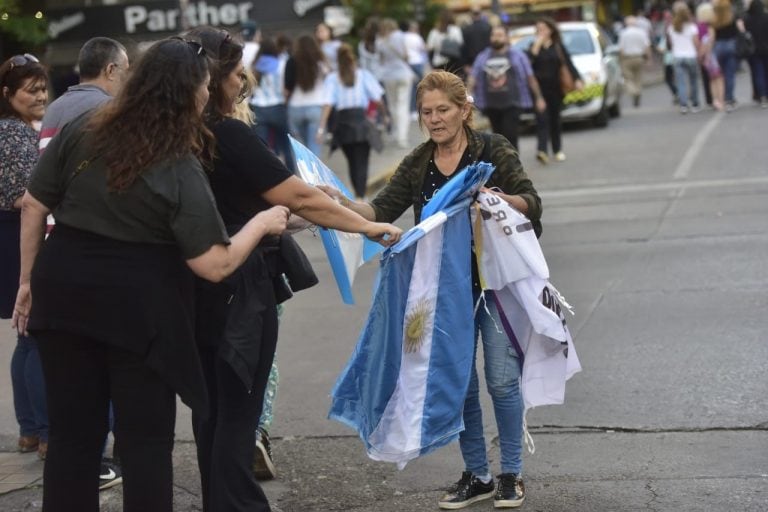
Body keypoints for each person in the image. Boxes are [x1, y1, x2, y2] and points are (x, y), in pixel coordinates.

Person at [12, 38, 293, 512]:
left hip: (62, 291)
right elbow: (215, 263)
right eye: (204, 85)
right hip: (136, 309)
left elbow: (35, 204)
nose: (207, 94)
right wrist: (263, 223)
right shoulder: (176, 160)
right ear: (187, 92)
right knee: (144, 442)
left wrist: (27, 283)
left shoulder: (85, 126)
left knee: (72, 440)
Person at [183, 26, 402, 512]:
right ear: (212, 78)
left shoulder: (175, 135)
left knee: (211, 413)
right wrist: (368, 227)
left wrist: (309, 212)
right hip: (239, 290)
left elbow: (268, 207)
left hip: (192, 287)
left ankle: (220, 502)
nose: (243, 83)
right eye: (237, 74)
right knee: (237, 414)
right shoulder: (228, 133)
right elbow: (296, 196)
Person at [320, 69, 542, 509]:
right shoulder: (420, 161)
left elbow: (532, 205)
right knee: (458, 385)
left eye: (444, 110)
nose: (436, 119)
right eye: (427, 112)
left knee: (500, 381)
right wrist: (341, 202)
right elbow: (380, 209)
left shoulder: (492, 149)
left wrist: (497, 199)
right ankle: (478, 474)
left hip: (494, 284)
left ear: (464, 110)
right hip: (442, 292)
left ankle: (511, 474)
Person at [37, 35, 130, 490]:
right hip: (92, 248)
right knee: (102, 363)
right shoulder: (100, 113)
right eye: (125, 69)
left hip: (56, 244)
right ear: (110, 70)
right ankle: (100, 459)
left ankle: (63, 449)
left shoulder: (56, 109)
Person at [0, 53, 49, 461]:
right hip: (19, 238)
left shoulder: (13, 129)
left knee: (25, 337)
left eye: (43, 88)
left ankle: (30, 431)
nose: (40, 96)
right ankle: (47, 432)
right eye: (30, 90)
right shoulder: (13, 134)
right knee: (36, 336)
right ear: (7, 94)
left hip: (12, 238)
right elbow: (22, 198)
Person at [318, 43, 385, 199]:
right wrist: (384, 115)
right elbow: (377, 98)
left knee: (352, 162)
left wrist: (321, 128)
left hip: (343, 125)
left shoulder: (332, 78)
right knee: (362, 161)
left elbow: (328, 103)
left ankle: (358, 195)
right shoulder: (363, 75)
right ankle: (361, 196)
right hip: (361, 122)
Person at [468, 25, 546, 152]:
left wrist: (539, 97)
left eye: (499, 35)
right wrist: (468, 96)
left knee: (510, 135)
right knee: (497, 138)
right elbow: (473, 77)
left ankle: (513, 167)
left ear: (506, 38)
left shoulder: (518, 56)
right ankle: (502, 167)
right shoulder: (483, 56)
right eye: (493, 35)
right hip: (491, 104)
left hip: (513, 103)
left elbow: (530, 77)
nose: (496, 38)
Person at [527, 17, 583, 164]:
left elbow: (568, 64)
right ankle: (542, 151)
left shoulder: (558, 47)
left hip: (556, 89)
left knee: (555, 120)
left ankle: (557, 150)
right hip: (538, 90)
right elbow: (528, 65)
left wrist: (577, 79)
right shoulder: (533, 46)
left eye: (543, 29)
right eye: (538, 30)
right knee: (542, 120)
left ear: (550, 30)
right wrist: (536, 47)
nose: (540, 32)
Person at [250, 36, 293, 170]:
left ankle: (269, 174)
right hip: (278, 106)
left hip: (259, 108)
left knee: (264, 148)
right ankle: (292, 174)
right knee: (287, 145)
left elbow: (251, 88)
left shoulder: (255, 65)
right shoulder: (281, 63)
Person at [284, 34, 328, 157]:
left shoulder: (291, 61)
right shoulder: (320, 62)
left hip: (295, 107)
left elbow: (287, 88)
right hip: (315, 107)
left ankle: (301, 176)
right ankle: (313, 176)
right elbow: (327, 84)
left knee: (300, 153)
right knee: (314, 150)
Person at [376, 18, 415, 149]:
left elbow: (381, 61)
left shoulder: (380, 41)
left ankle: (395, 132)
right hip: (403, 74)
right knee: (403, 105)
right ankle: (402, 138)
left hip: (388, 76)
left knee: (392, 106)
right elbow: (406, 55)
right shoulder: (400, 35)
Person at [668, 1, 702, 114]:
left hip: (677, 56)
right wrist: (698, 52)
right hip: (690, 55)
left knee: (681, 82)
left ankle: (683, 105)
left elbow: (671, 44)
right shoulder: (692, 27)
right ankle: (695, 103)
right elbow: (696, 42)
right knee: (693, 81)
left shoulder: (672, 27)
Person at [712, 0, 744, 111]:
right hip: (731, 45)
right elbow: (738, 32)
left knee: (719, 75)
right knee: (730, 74)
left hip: (718, 46)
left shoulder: (714, 20)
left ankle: (719, 98)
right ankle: (729, 99)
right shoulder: (732, 18)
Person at [697, 3, 726, 111]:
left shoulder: (699, 26)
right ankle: (720, 100)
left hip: (706, 56)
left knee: (712, 79)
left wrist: (700, 55)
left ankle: (715, 100)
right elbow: (708, 42)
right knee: (719, 79)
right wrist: (705, 54)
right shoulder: (709, 27)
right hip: (711, 55)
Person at [617, 16, 651, 107]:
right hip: (639, 57)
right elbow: (647, 46)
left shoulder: (623, 33)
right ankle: (638, 92)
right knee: (638, 78)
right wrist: (648, 59)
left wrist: (620, 60)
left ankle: (634, 92)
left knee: (628, 79)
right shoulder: (641, 32)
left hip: (627, 58)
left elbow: (621, 49)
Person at [426, 9, 465, 76]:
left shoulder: (434, 32)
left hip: (438, 63)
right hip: (454, 63)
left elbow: (429, 47)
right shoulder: (456, 29)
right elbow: (460, 43)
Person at [744, 0, 768, 108]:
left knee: (758, 73)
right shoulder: (766, 17)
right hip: (766, 48)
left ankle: (762, 95)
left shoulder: (748, 19)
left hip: (754, 49)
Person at [462, 7, 492, 75]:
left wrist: (465, 64)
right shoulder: (488, 27)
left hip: (472, 63)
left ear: (471, 15)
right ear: (481, 14)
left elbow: (464, 48)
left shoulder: (466, 30)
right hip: (488, 60)